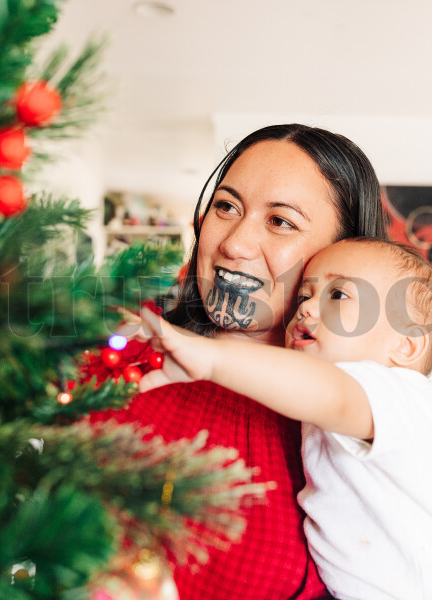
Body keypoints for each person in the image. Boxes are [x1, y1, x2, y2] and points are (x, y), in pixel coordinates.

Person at [129, 238, 432, 600]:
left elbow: (332, 394)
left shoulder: (402, 395)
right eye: (304, 296)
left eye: (338, 295)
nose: (307, 309)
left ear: (405, 346)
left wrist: (212, 359)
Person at [104, 124, 389, 599]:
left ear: (342, 251)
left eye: (280, 221)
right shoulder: (123, 353)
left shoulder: (357, 416)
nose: (234, 243)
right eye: (226, 206)